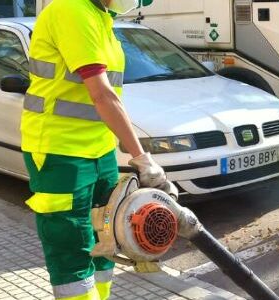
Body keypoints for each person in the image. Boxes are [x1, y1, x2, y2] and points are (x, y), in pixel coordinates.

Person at [22, 0, 170, 299]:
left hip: (99, 150)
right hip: (60, 150)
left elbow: (108, 95)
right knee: (71, 247)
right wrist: (141, 157)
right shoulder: (71, 10)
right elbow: (102, 94)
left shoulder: (102, 17)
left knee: (106, 240)